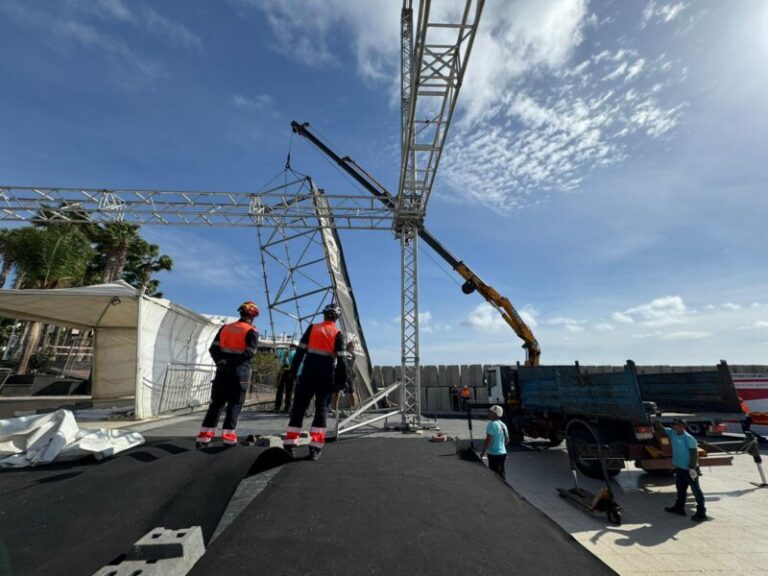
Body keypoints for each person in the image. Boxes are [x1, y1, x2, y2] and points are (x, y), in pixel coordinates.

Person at [283, 303, 347, 460]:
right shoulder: (337, 333)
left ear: (324, 315)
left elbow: (299, 352)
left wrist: (292, 372)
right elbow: (342, 361)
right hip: (325, 376)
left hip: (307, 374)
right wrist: (342, 382)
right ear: (336, 318)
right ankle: (315, 449)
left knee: (299, 407)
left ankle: (290, 443)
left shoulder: (312, 328)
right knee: (321, 410)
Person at [195, 301, 260, 447]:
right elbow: (249, 353)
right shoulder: (252, 331)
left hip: (222, 373)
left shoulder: (225, 328)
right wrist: (232, 364)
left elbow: (213, 348)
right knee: (234, 405)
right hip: (239, 374)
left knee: (216, 405)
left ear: (241, 313)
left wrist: (221, 362)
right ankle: (228, 439)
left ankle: (203, 439)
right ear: (254, 316)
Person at [661, 418, 708, 521]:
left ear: (683, 426)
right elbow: (661, 429)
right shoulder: (673, 433)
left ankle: (701, 512)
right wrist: (655, 422)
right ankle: (679, 508)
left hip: (690, 469)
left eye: (676, 424)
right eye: (673, 424)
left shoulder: (689, 438)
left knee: (696, 490)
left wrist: (692, 468)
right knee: (680, 489)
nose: (674, 426)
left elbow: (694, 455)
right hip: (680, 468)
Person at [480, 405, 510, 479]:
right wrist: (501, 447)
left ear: (495, 414)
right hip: (503, 453)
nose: (488, 413)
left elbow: (488, 440)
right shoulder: (503, 425)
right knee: (501, 473)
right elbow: (507, 440)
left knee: (494, 475)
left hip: (494, 454)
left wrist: (483, 453)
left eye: (490, 412)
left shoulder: (492, 424)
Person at [331, 338, 358, 416]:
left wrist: (353, 373)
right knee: (337, 392)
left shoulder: (353, 355)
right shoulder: (343, 352)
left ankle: (353, 408)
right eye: (352, 346)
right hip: (339, 374)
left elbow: (350, 364)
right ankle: (335, 410)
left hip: (347, 374)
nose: (353, 348)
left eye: (353, 347)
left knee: (351, 391)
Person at [274, 344, 297, 412]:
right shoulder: (295, 353)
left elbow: (276, 356)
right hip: (290, 372)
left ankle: (277, 407)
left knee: (280, 390)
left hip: (282, 371)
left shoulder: (284, 352)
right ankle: (287, 407)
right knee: (289, 391)